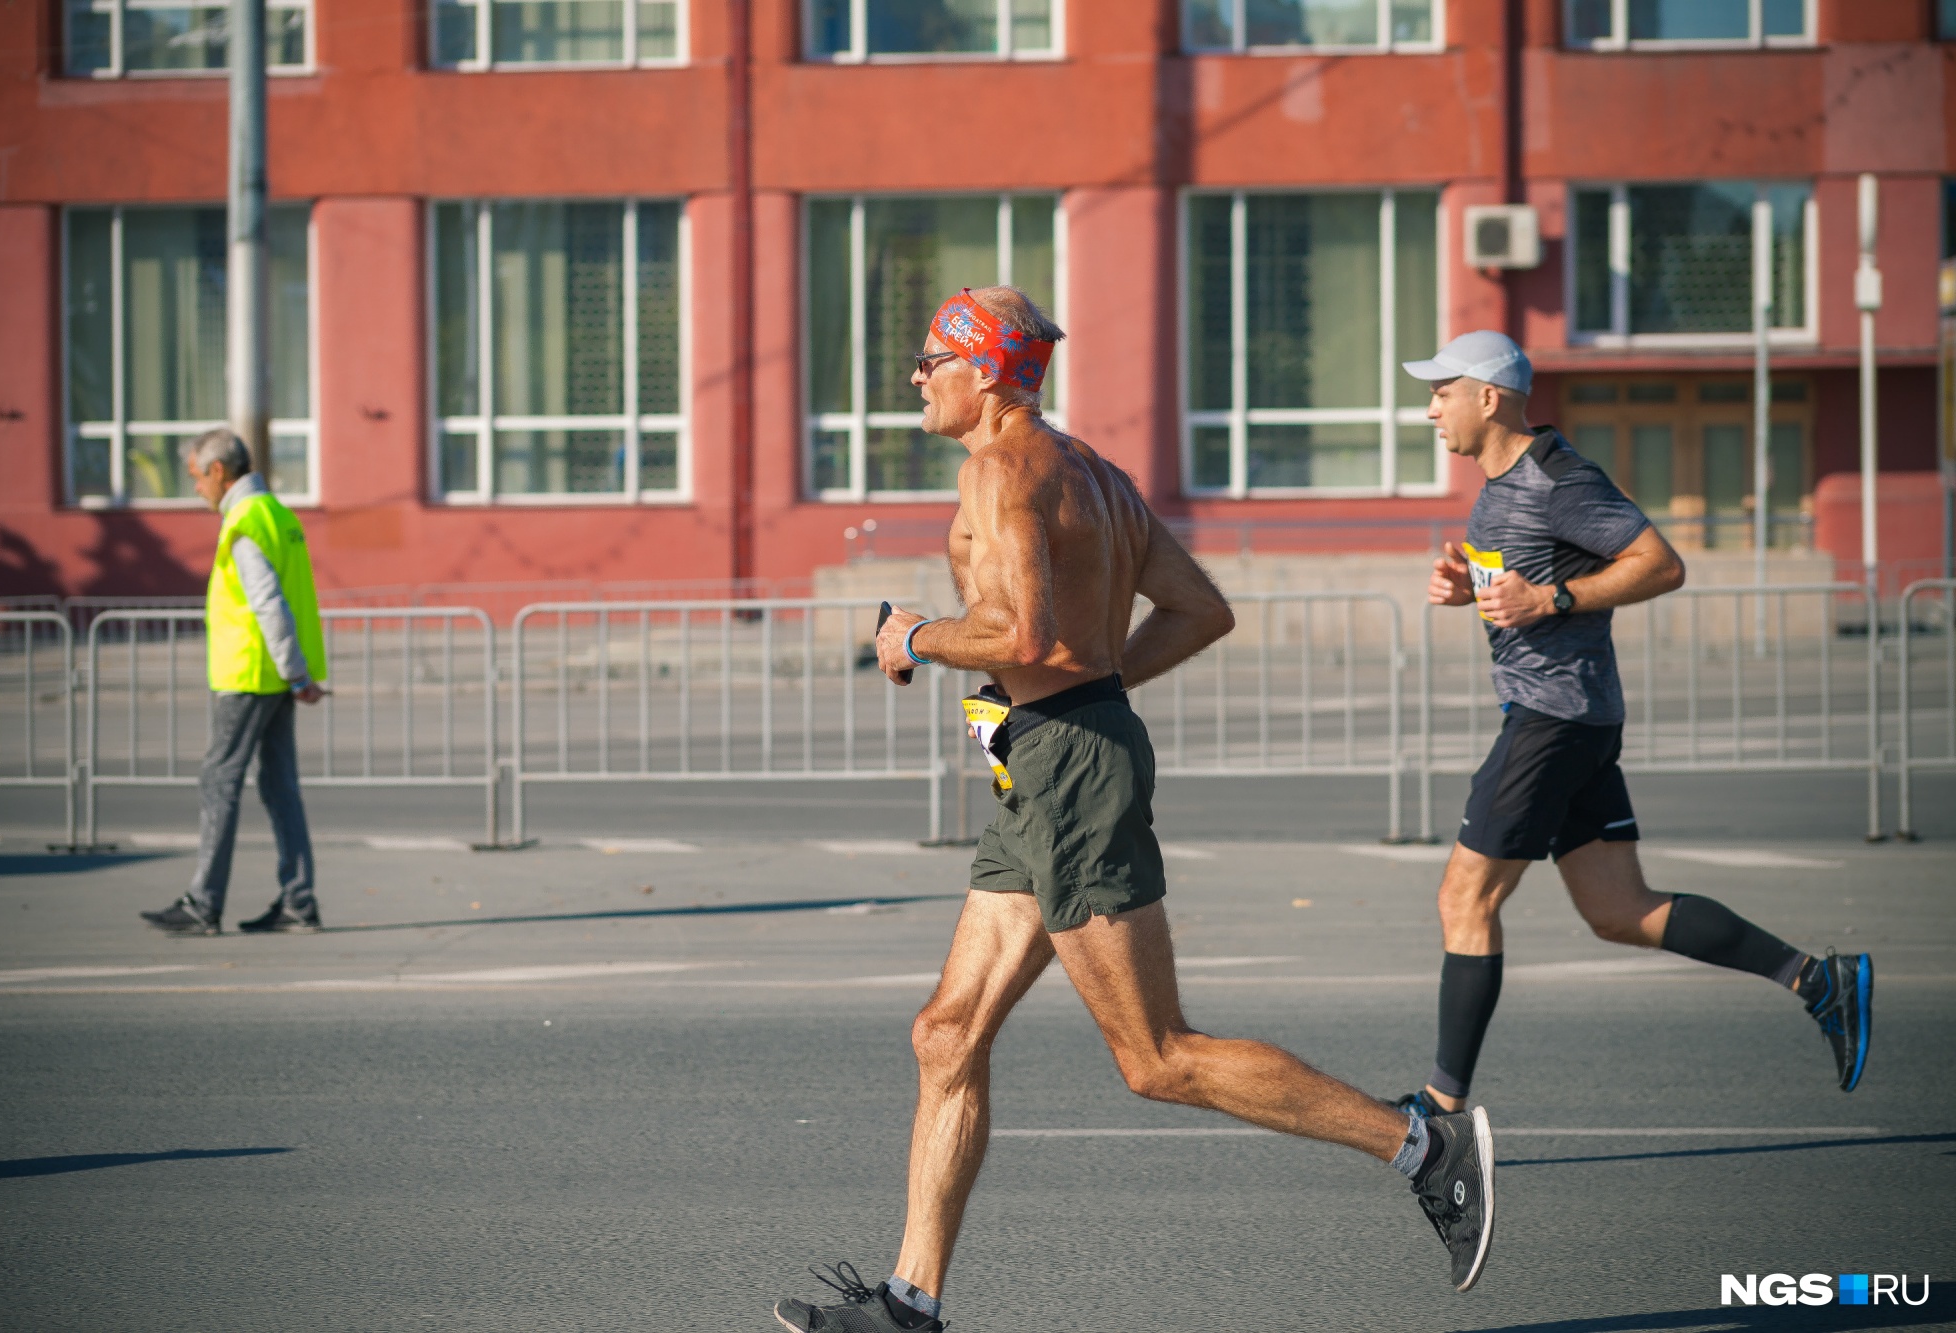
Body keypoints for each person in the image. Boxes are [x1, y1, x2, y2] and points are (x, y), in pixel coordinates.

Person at [773, 289, 1497, 1333]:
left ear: (983, 371)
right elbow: (1199, 610)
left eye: (929, 358)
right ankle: (907, 1304)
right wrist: (1085, 694)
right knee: (944, 1034)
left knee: (1154, 1057)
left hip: (1068, 771)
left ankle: (1424, 1147)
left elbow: (1017, 632)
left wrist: (915, 638)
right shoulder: (1094, 476)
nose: (915, 377)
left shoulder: (1002, 469)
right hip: (1055, 757)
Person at [1393, 330, 1871, 1124]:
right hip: (1571, 717)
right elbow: (1519, 577)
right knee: (1619, 910)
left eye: (1442, 390)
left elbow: (1661, 562)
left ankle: (1441, 1112)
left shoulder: (1560, 478)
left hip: (1554, 718)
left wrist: (1551, 601)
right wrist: (1466, 586)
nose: (1431, 407)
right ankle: (1820, 980)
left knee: (1463, 898)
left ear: (1489, 396)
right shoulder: (1496, 484)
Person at [140, 428, 329, 937]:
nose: (196, 488)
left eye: (197, 477)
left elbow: (268, 603)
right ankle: (298, 901)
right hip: (276, 675)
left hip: (248, 674)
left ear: (219, 471)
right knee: (279, 787)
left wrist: (295, 673)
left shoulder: (244, 521)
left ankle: (204, 904)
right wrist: (298, 675)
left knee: (219, 782)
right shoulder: (279, 515)